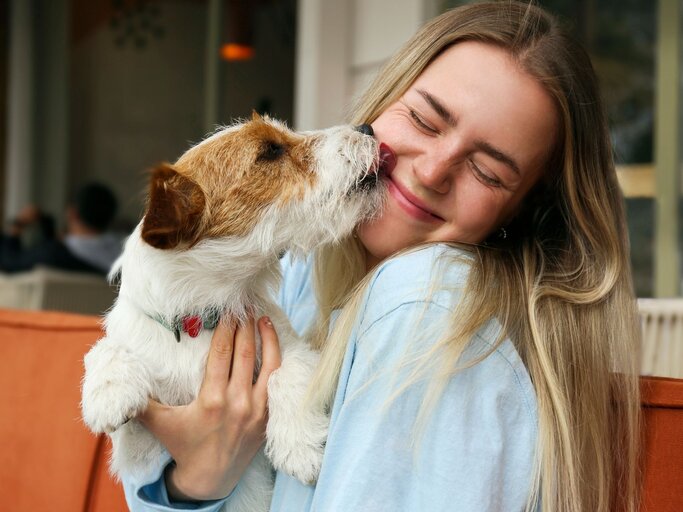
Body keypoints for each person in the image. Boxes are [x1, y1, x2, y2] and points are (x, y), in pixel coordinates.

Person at [125, 2, 641, 511]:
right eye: (424, 119)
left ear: (522, 215)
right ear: (383, 101)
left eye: (488, 171)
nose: (434, 170)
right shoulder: (298, 272)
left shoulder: (428, 302)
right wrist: (200, 479)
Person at [0, 182, 123, 275]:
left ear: (72, 214)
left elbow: (10, 263)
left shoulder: (53, 254)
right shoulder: (124, 254)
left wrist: (17, 226)